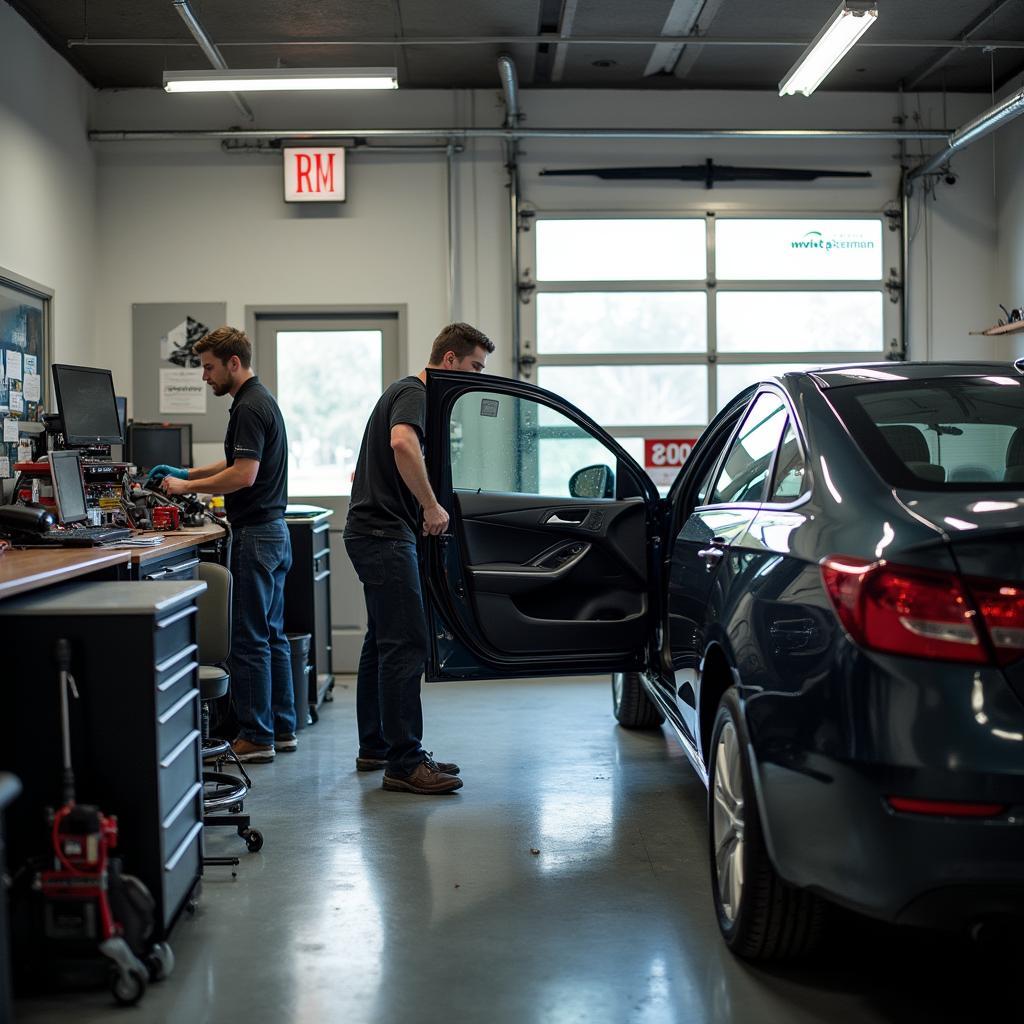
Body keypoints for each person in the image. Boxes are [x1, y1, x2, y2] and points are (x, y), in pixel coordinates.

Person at [344, 322, 494, 795]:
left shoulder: (406, 394)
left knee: (382, 642)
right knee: (407, 644)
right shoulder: (414, 392)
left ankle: (378, 746)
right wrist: (431, 507)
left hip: (373, 532)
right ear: (448, 360)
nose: (478, 377)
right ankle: (405, 763)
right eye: (475, 366)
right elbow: (402, 444)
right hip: (385, 535)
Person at [150, 325, 295, 764]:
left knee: (250, 640)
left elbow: (243, 476)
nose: (204, 377)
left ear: (234, 363)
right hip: (275, 533)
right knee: (272, 636)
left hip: (256, 535)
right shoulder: (259, 399)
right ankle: (282, 728)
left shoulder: (249, 406)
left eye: (209, 368)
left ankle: (255, 737)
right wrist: (188, 474)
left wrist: (179, 490)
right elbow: (236, 461)